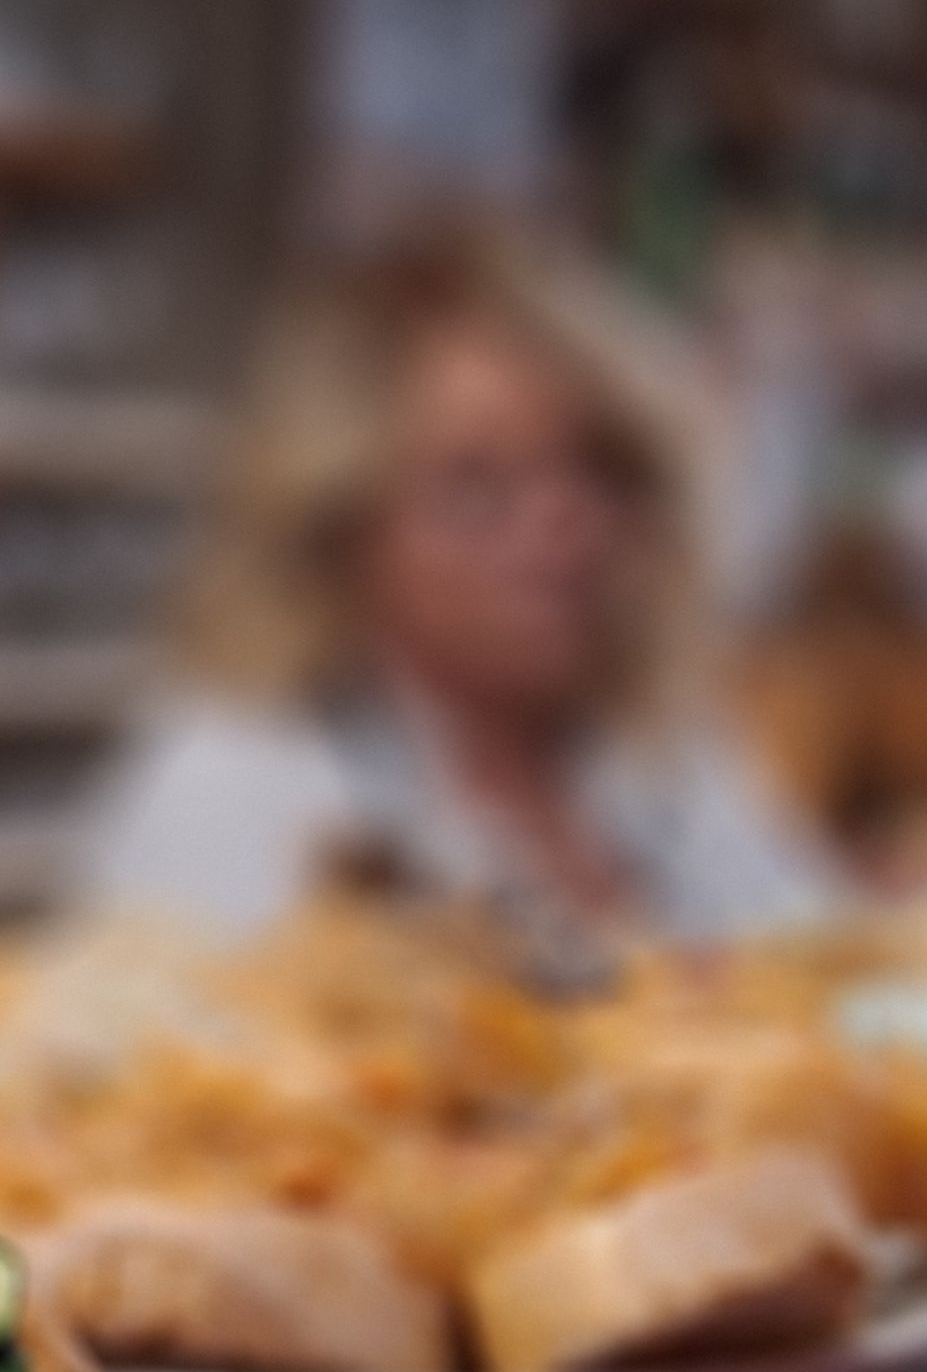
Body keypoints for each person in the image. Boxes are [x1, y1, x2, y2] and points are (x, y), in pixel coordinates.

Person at [77, 214, 836, 963]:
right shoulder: (236, 779)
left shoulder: (663, 756)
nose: (562, 523)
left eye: (598, 467)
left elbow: (829, 969)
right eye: (478, 487)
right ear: (340, 527)